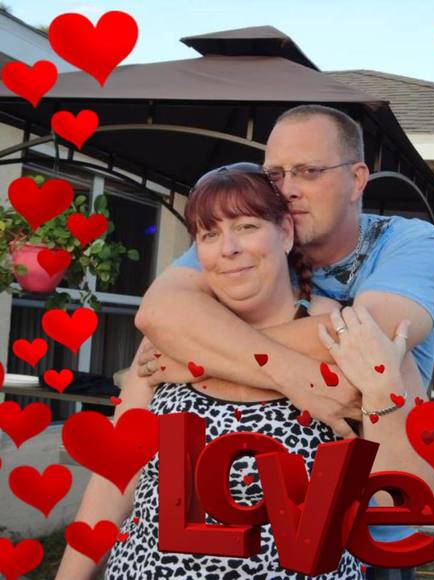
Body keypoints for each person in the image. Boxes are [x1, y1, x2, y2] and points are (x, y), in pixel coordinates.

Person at [134, 105, 434, 579]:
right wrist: (289, 372)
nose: (288, 189)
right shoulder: (246, 237)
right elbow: (158, 313)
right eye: (275, 174)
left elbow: (367, 335)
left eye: (309, 171)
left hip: (377, 514)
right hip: (255, 511)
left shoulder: (407, 241)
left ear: (357, 179)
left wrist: (194, 359)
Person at [57, 164, 413, 579]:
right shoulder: (170, 338)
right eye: (209, 235)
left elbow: (392, 499)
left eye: (246, 226)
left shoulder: (346, 337)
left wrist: (382, 398)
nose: (228, 248)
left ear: (285, 232)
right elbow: (114, 480)